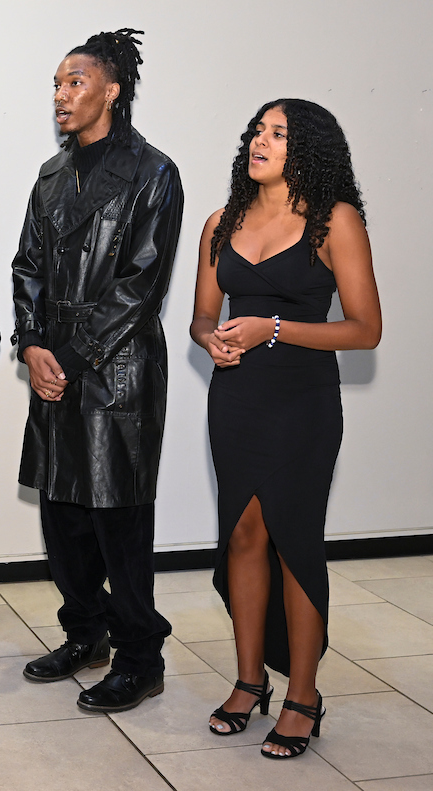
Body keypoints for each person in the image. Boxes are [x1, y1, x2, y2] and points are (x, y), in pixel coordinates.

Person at [191, 99, 381, 758]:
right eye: (257, 130)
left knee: (295, 540)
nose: (260, 141)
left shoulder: (335, 220)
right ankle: (250, 681)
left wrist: (272, 328)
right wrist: (212, 340)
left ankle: (303, 695)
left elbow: (365, 329)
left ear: (309, 151)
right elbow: (202, 316)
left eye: (278, 133)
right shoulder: (221, 222)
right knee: (243, 534)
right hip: (236, 397)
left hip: (302, 401)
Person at [13, 29, 183, 713]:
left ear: (111, 90)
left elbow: (141, 285)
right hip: (54, 367)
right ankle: (85, 633)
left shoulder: (153, 173)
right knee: (62, 517)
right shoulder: (50, 176)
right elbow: (27, 267)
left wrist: (69, 358)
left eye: (74, 82)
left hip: (118, 372)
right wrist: (32, 345)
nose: (61, 95)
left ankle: (141, 657)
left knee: (119, 522)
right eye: (56, 84)